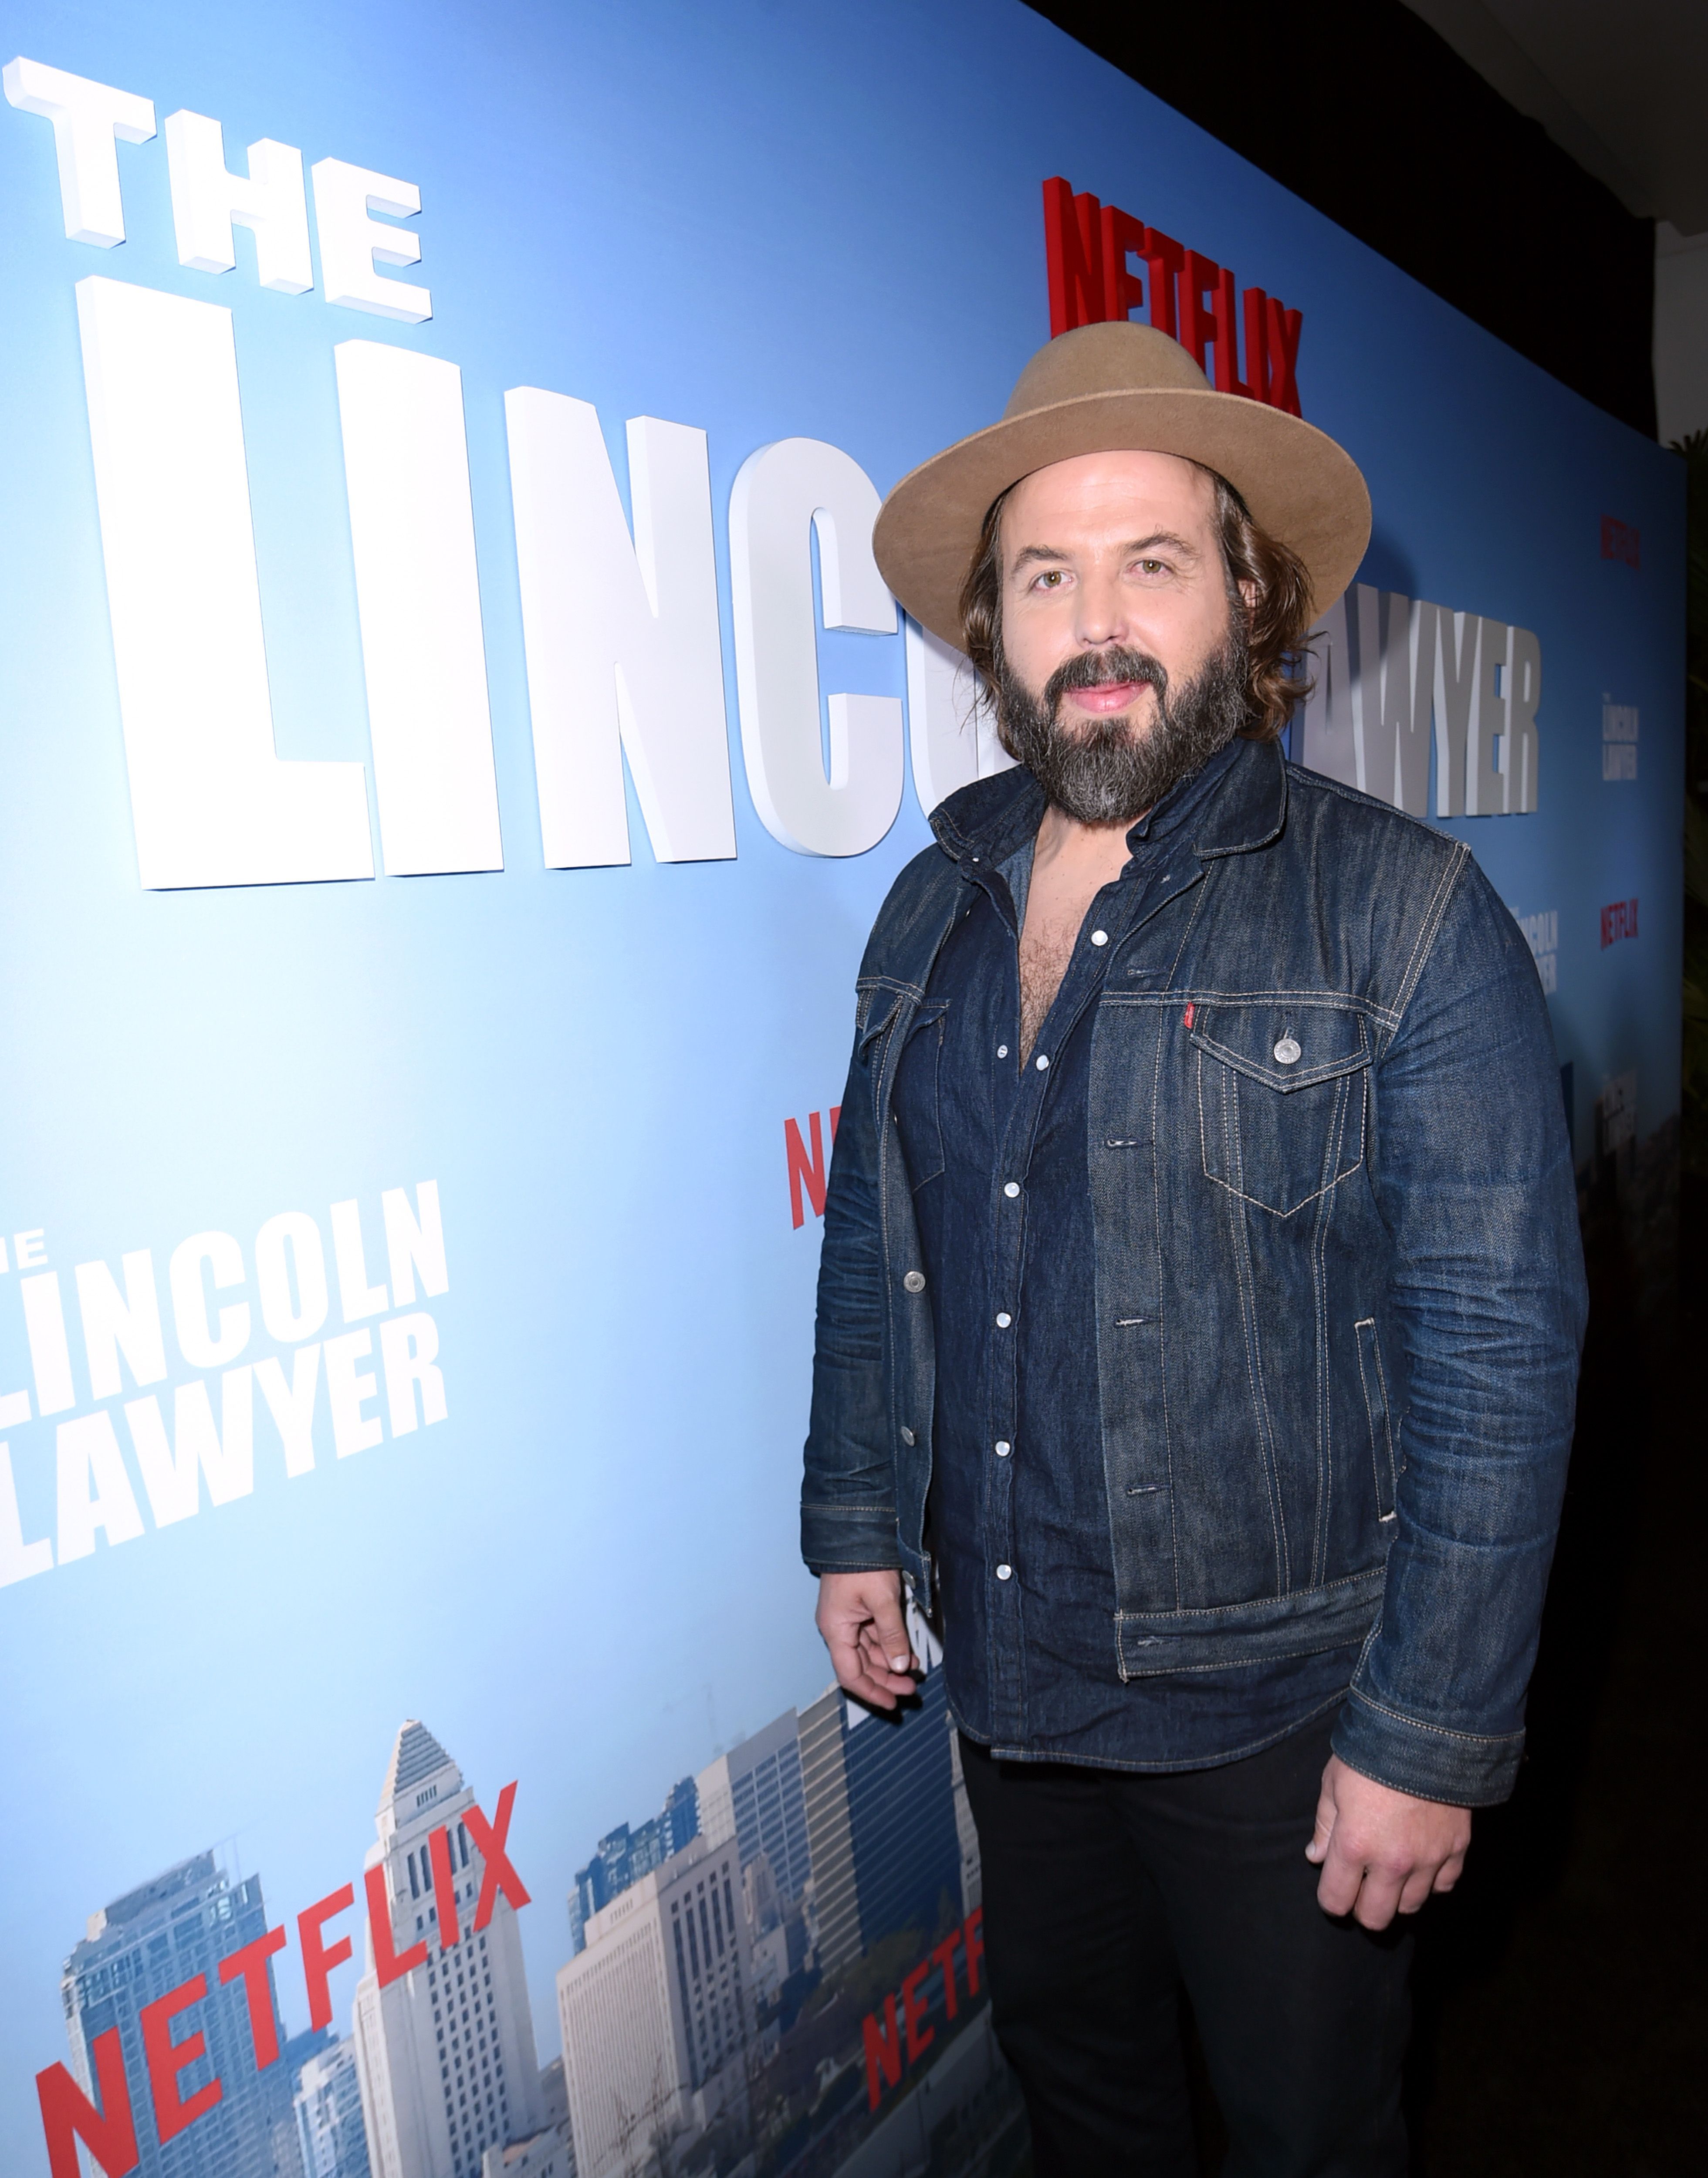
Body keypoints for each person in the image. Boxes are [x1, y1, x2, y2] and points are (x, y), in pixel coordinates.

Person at [800, 321, 1586, 2176]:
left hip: (1285, 1715)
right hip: (1016, 1682)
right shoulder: (935, 902)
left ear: (1246, 591)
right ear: (995, 623)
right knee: (1089, 2121)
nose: (1100, 618)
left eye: (1151, 562)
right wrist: (852, 1515)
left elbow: (1501, 1353)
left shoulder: (1408, 911)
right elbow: (873, 1235)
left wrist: (1431, 1728)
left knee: (1314, 2138)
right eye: (1047, 573)